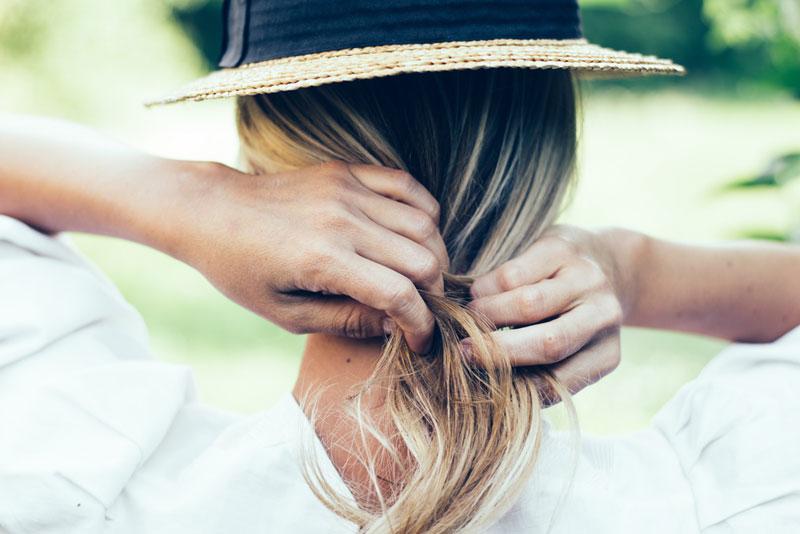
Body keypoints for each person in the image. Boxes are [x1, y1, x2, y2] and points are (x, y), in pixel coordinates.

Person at [1, 1, 799, 533]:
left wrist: (186, 198)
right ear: (556, 153)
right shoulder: (722, 497)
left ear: (257, 150)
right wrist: (635, 270)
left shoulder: (75, 465)